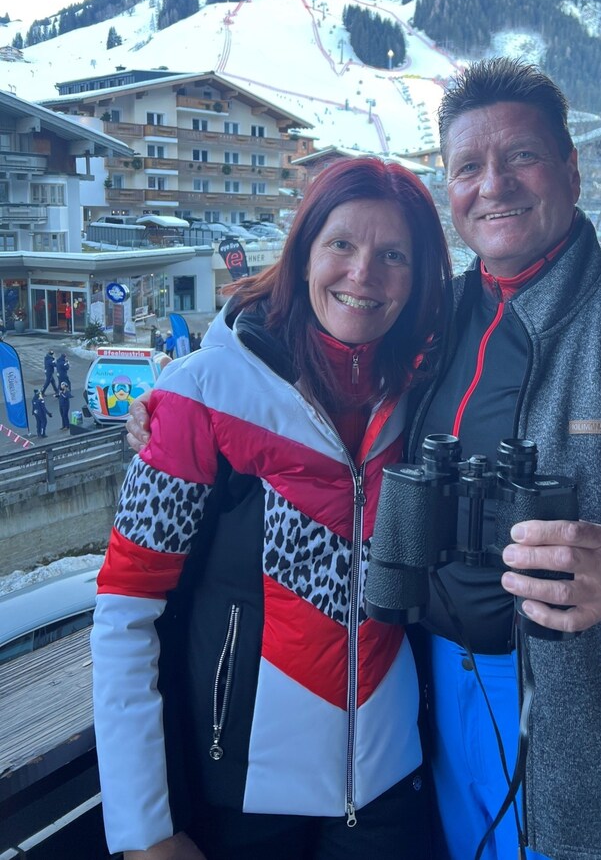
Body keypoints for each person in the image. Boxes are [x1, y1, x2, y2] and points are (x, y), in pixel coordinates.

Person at [128, 60, 601, 860]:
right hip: (434, 736)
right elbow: (309, 346)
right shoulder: (431, 321)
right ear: (449, 190)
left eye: (521, 156)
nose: (495, 185)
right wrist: (182, 396)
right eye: (468, 167)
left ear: (571, 168)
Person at [91, 157, 451, 860]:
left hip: (389, 783)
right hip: (239, 797)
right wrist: (145, 827)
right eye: (341, 244)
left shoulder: (428, 390)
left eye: (393, 254)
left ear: (419, 277)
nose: (363, 273)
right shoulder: (203, 393)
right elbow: (124, 609)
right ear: (303, 251)